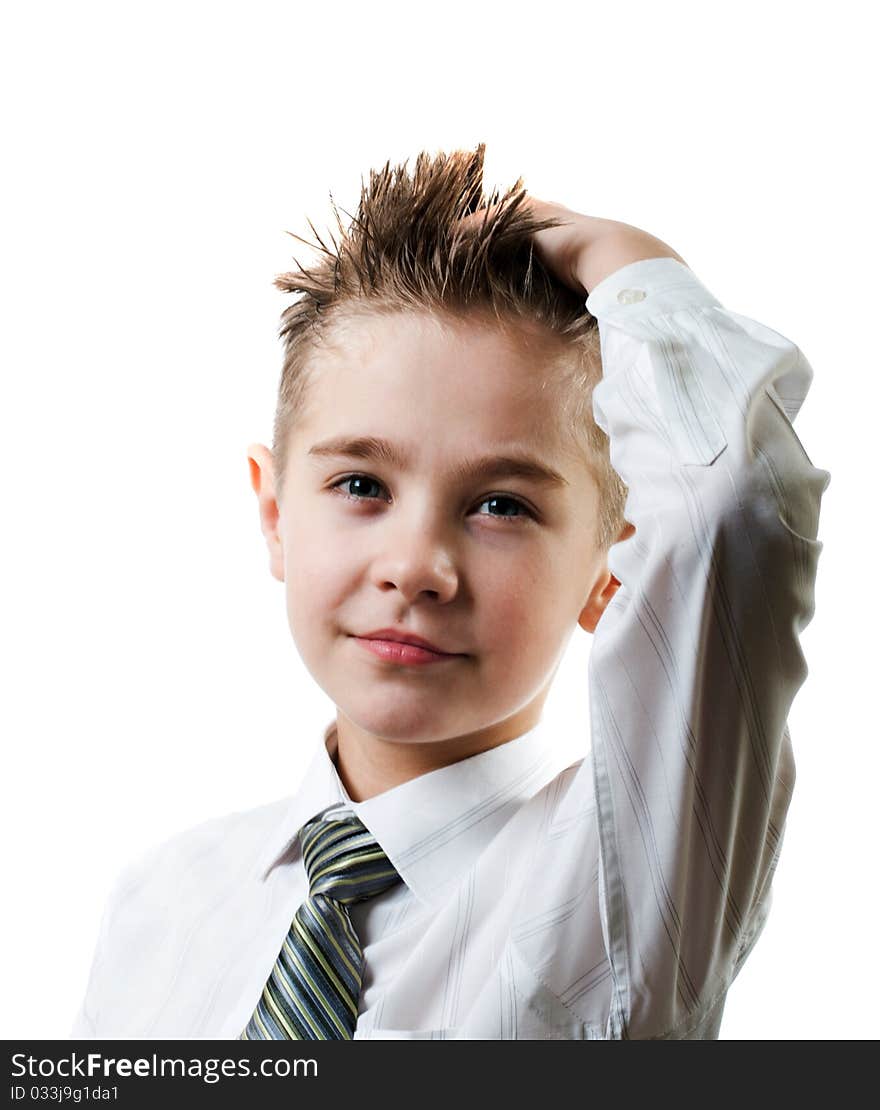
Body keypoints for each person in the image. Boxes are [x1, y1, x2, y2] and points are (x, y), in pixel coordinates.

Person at [70, 143, 830, 1039]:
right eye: (361, 486)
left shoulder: (619, 880)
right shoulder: (162, 902)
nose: (417, 565)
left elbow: (731, 507)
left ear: (610, 570)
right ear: (275, 512)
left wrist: (622, 261)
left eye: (501, 504)